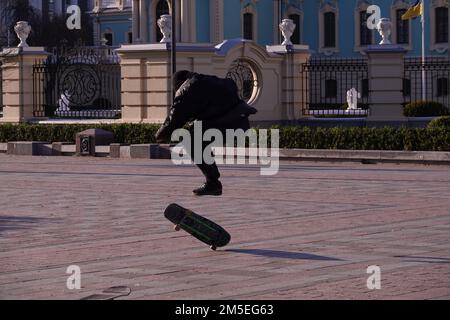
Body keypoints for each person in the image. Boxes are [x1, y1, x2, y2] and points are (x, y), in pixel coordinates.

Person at [155, 70, 257, 196]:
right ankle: (213, 183)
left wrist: (160, 135)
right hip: (241, 123)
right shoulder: (212, 80)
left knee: (192, 142)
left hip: (225, 123)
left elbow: (175, 117)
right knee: (196, 134)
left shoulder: (187, 89)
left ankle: (213, 183)